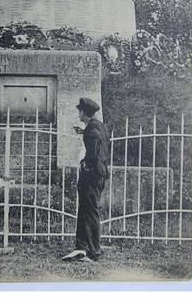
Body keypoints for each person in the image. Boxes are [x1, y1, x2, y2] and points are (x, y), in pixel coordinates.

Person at [62, 97, 109, 262]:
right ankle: (81, 247)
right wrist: (84, 132)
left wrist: (86, 163)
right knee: (85, 211)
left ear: (83, 112)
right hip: (97, 175)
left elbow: (95, 145)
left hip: (92, 175)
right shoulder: (98, 126)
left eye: (79, 111)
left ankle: (93, 251)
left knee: (90, 212)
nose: (78, 114)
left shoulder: (93, 130)